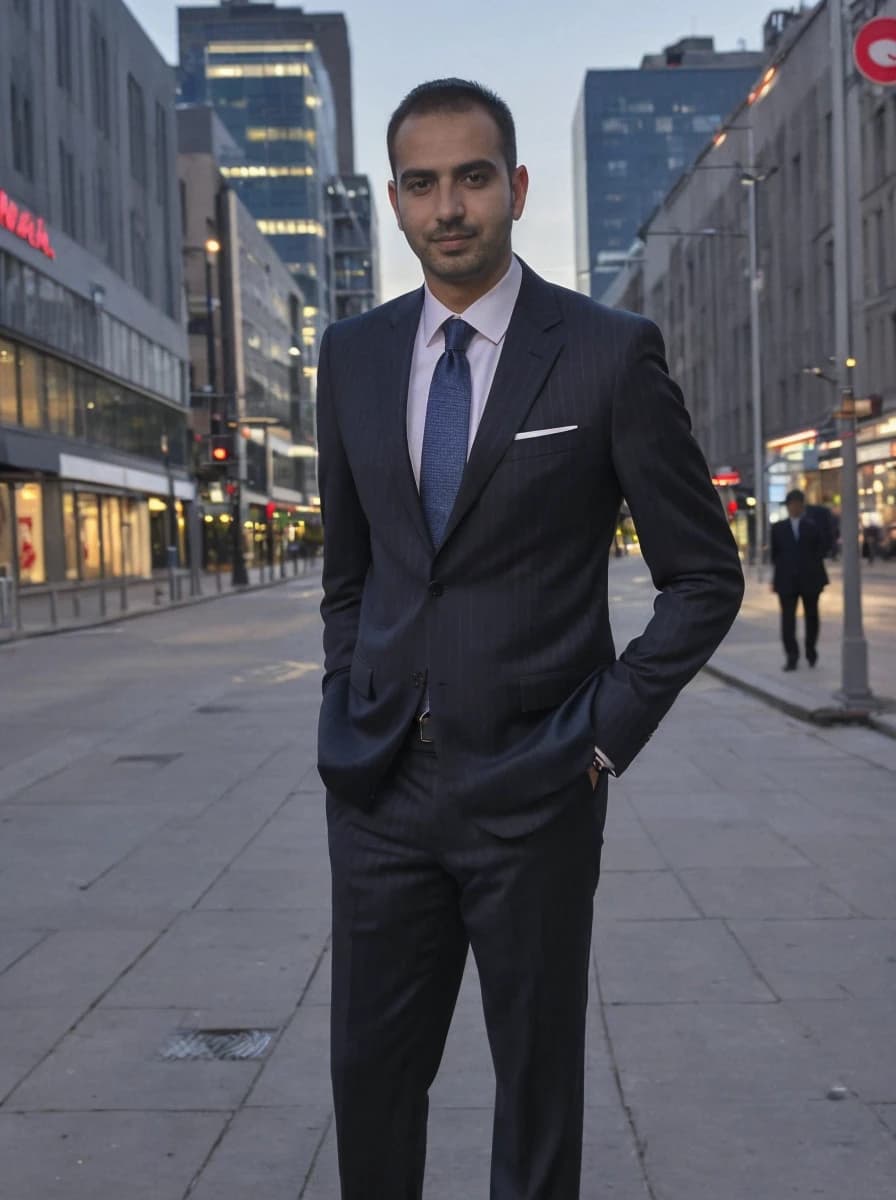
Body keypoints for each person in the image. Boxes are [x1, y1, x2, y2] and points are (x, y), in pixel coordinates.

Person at [316, 78, 745, 1200]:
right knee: (367, 1081)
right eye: (419, 183)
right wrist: (345, 701)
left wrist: (596, 742)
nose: (445, 205)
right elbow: (348, 574)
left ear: (513, 188)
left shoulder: (605, 352)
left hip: (537, 784)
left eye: (469, 177)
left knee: (535, 1094)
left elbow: (701, 578)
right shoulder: (351, 357)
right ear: (395, 203)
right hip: (380, 789)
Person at [770, 488, 829, 670]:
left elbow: (822, 549)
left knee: (812, 617)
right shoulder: (778, 528)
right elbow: (775, 555)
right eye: (792, 505)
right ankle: (792, 656)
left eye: (798, 504)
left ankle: (811, 651)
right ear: (787, 507)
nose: (795, 508)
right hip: (787, 581)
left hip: (811, 580)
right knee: (788, 621)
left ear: (803, 506)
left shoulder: (812, 526)